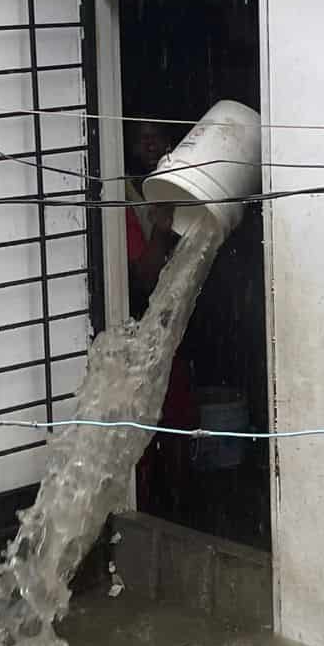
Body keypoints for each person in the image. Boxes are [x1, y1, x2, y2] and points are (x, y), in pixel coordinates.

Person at [124, 119, 198, 520]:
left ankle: (181, 508)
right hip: (139, 326)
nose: (151, 145)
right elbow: (143, 278)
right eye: (141, 138)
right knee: (147, 421)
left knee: (179, 419)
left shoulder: (188, 186)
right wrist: (161, 230)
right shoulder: (126, 196)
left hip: (177, 325)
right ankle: (153, 510)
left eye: (159, 136)